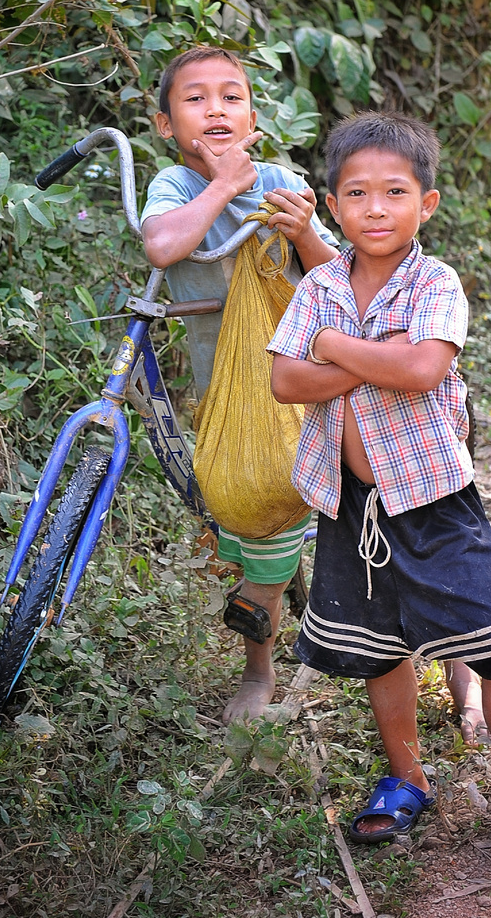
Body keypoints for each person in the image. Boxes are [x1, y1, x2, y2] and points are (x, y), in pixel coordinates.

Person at [267, 111, 491, 873]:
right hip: (349, 507)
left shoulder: (434, 281)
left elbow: (422, 371)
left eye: (395, 191)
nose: (376, 208)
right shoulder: (319, 284)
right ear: (332, 205)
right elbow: (286, 380)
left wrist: (334, 349)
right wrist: (370, 355)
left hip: (436, 499)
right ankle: (406, 777)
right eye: (357, 193)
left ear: (428, 204)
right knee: (381, 649)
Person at [140, 46, 339, 723]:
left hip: (304, 375)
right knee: (256, 516)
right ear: (166, 124)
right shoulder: (173, 185)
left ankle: (404, 641)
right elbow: (164, 247)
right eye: (196, 99)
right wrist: (224, 184)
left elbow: (336, 277)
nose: (216, 108)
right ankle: (259, 672)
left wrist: (306, 232)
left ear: (253, 113)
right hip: (230, 398)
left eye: (231, 96)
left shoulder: (280, 176)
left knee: (333, 505)